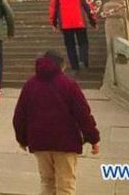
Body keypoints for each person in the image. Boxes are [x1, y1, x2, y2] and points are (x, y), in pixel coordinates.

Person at [13, 51, 101, 195]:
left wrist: (22, 139)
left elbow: (19, 116)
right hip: (66, 143)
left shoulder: (30, 85)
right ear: (61, 66)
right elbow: (83, 114)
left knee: (47, 182)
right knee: (65, 185)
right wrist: (94, 138)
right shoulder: (69, 85)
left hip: (40, 143)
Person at [49, 0, 97, 73]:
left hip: (65, 24)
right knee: (83, 42)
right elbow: (88, 7)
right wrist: (93, 21)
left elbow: (53, 9)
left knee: (70, 46)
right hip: (80, 22)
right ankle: (83, 60)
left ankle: (75, 66)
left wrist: (53, 23)